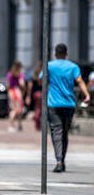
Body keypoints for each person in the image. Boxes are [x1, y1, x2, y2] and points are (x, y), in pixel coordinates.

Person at [44, 43, 90, 173]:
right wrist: (86, 95)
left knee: (56, 132)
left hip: (53, 104)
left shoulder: (49, 66)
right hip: (69, 104)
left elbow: (41, 80)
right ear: (66, 53)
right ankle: (61, 160)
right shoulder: (73, 67)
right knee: (64, 132)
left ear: (55, 53)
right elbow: (80, 81)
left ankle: (59, 160)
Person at [6, 60, 26, 132]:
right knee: (17, 110)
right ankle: (14, 125)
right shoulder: (20, 75)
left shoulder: (9, 74)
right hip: (17, 92)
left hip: (11, 92)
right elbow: (22, 84)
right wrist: (23, 90)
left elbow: (7, 85)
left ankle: (18, 125)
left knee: (14, 109)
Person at [25, 61, 42, 131]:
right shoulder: (42, 74)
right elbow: (42, 85)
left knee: (37, 108)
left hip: (34, 94)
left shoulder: (33, 75)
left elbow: (29, 86)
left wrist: (28, 96)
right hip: (40, 94)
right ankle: (37, 122)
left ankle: (37, 122)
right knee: (40, 109)